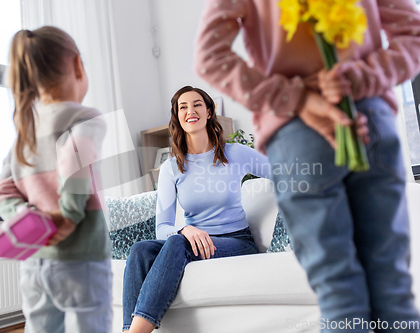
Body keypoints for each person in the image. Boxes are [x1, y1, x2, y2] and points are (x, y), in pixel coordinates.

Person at [195, 0, 420, 332]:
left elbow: (209, 57)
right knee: (393, 288)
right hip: (369, 118)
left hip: (297, 133)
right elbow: (412, 36)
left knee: (340, 294)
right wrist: (359, 77)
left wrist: (294, 97)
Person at [0, 26, 112, 333]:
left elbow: (2, 192)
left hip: (34, 262)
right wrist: (68, 215)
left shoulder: (25, 131)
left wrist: (28, 219)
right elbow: (76, 152)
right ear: (77, 66)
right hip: (81, 257)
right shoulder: (83, 117)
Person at [122, 86, 270, 332]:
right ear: (177, 116)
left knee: (178, 243)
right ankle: (128, 329)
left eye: (197, 104)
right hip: (194, 242)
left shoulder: (235, 153)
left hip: (236, 241)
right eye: (183, 107)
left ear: (209, 112)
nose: (190, 111)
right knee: (140, 250)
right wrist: (184, 230)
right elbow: (163, 229)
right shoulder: (172, 168)